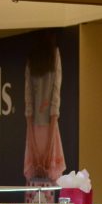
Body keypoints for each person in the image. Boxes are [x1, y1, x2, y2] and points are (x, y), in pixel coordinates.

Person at [23, 30, 66, 188]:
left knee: (36, 163)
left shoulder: (31, 58)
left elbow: (28, 91)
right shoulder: (54, 54)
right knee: (50, 163)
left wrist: (29, 118)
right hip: (48, 118)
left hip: (35, 120)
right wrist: (54, 116)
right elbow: (56, 87)